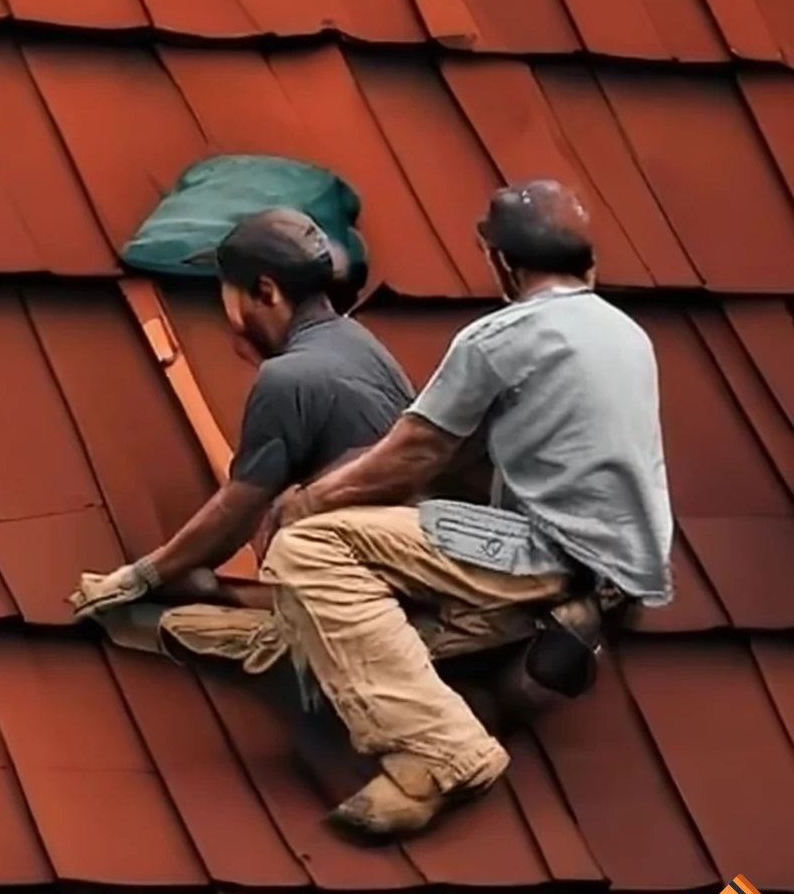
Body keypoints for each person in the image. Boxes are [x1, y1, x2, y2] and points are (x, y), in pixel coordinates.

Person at [260, 180, 674, 838]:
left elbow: (418, 453)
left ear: (502, 263)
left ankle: (443, 750)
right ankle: (529, 645)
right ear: (589, 264)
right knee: (402, 601)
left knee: (310, 548)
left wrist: (304, 502)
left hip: (546, 550)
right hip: (623, 569)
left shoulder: (501, 337)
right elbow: (462, 453)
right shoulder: (627, 335)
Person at [69, 208, 416, 619]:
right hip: (409, 561)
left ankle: (231, 598)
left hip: (368, 587)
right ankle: (227, 595)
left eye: (227, 289)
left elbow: (238, 510)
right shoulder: (359, 342)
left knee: (286, 522)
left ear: (266, 292)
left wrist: (141, 576)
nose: (225, 308)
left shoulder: (286, 376)